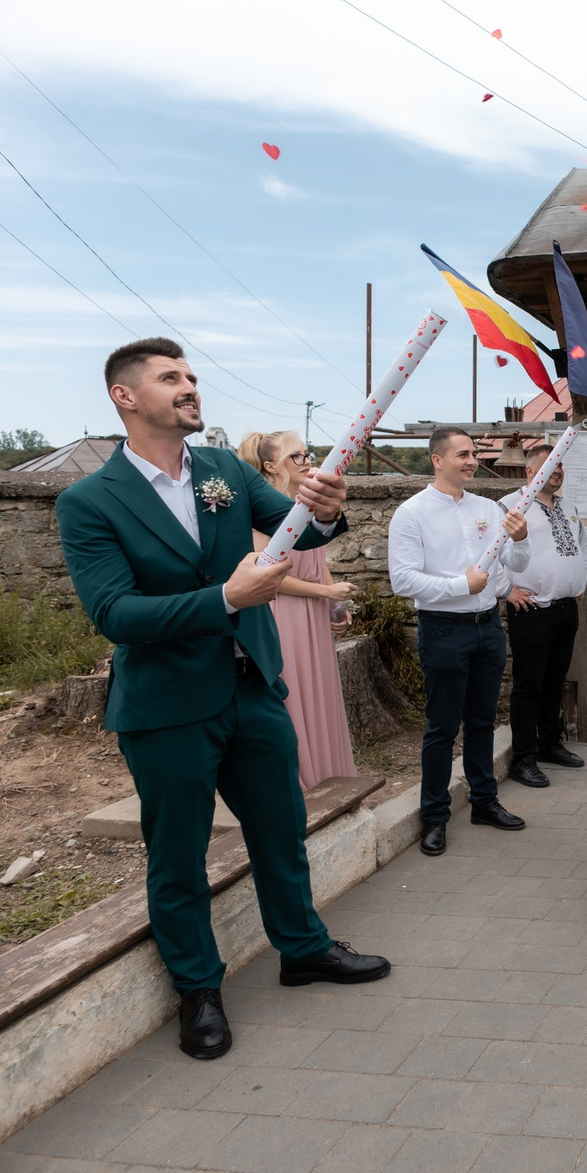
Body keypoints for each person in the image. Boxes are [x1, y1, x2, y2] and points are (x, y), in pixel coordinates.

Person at [57, 338, 389, 1062]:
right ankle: (198, 990)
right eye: (169, 377)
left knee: (281, 828)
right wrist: (226, 599)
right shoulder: (88, 501)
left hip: (252, 687)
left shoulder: (223, 471)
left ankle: (303, 948)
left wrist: (326, 509)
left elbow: (299, 524)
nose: (189, 385)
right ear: (124, 396)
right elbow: (115, 614)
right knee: (178, 855)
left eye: (191, 375)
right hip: (168, 706)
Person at [387, 428, 531, 858]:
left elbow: (515, 563)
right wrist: (460, 585)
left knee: (483, 721)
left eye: (473, 454)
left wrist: (521, 538)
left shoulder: (487, 508)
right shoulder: (411, 513)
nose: (472, 461)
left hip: (488, 627)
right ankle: (434, 815)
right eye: (463, 454)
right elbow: (403, 580)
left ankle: (484, 802)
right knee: (442, 726)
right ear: (437, 460)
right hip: (444, 629)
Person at [237, 430, 356, 790]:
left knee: (319, 696)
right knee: (294, 694)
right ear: (271, 465)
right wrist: (325, 592)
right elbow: (270, 577)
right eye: (297, 456)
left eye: (307, 454)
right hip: (282, 616)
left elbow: (318, 563)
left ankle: (327, 774)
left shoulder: (305, 508)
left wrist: (335, 603)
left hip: (314, 616)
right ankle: (298, 781)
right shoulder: (262, 514)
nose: (307, 463)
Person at [501, 439, 587, 789]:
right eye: (550, 465)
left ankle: (549, 743)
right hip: (532, 610)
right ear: (530, 471)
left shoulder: (568, 507)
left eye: (560, 465)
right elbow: (492, 553)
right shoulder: (510, 506)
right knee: (529, 685)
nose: (558, 471)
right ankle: (523, 758)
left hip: (566, 609)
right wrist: (506, 590)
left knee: (555, 680)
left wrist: (582, 579)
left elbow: (584, 548)